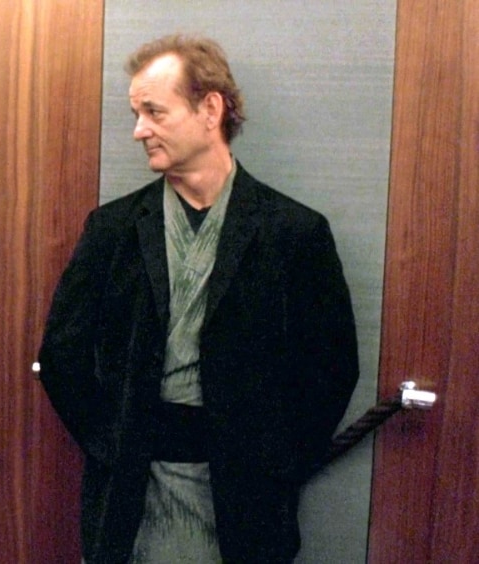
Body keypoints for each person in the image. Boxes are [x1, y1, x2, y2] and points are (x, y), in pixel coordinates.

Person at [38, 35, 359, 563]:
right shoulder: (113, 231)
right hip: (133, 498)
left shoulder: (294, 234)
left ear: (210, 109)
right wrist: (115, 445)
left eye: (154, 112)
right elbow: (61, 357)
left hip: (245, 504)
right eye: (136, 114)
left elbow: (332, 369)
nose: (139, 130)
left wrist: (271, 464)